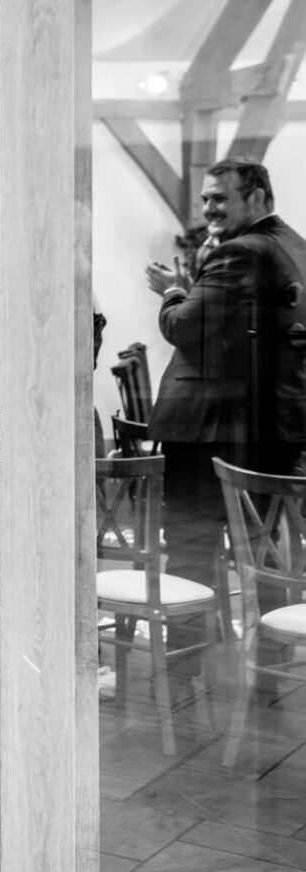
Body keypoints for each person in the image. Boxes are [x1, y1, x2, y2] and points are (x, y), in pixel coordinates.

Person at [144, 158, 306, 586]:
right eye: (205, 200)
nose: (210, 209)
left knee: (191, 553)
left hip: (211, 431)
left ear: (255, 197)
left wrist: (174, 290)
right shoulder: (296, 245)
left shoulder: (242, 251)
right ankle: (269, 644)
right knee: (264, 554)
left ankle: (186, 651)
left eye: (220, 198)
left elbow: (184, 327)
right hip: (269, 429)